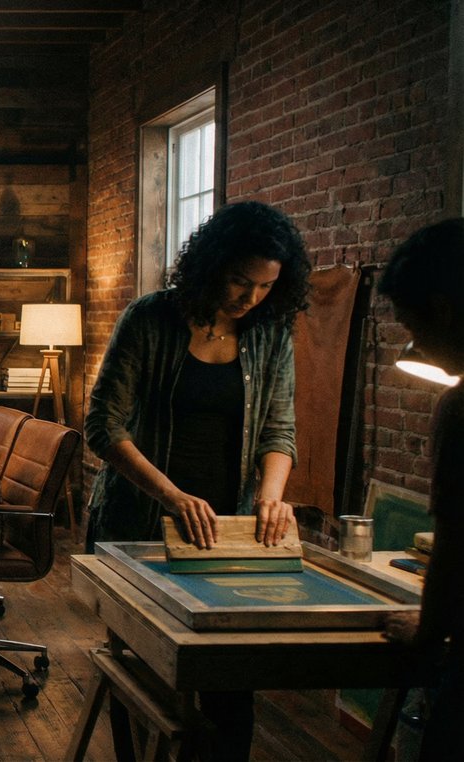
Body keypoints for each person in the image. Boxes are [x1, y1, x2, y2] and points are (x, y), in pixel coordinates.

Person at [85, 200, 312, 762]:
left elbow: (279, 432)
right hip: (140, 522)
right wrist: (171, 495)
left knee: (231, 693)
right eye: (240, 280)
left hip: (224, 532)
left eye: (265, 286)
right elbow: (102, 426)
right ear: (211, 263)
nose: (250, 298)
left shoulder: (269, 333)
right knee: (145, 680)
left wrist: (270, 499)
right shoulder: (150, 318)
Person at [379, 218, 464, 761]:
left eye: (414, 328)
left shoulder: (459, 410)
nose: (418, 349)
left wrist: (429, 633)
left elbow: (457, 543)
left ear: (446, 310)